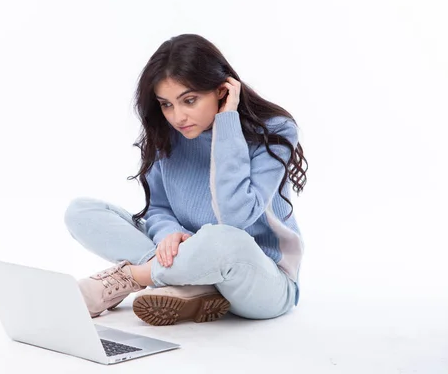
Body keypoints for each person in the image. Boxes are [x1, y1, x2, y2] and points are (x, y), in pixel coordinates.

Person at [64, 34, 308, 326]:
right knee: (81, 211)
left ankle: (135, 276)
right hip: (189, 254)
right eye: (166, 105)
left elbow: (235, 218)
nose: (178, 117)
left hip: (261, 277)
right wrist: (169, 233)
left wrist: (227, 123)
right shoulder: (167, 137)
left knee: (222, 239)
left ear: (222, 90)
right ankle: (191, 283)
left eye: (189, 100)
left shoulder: (275, 132)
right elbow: (158, 208)